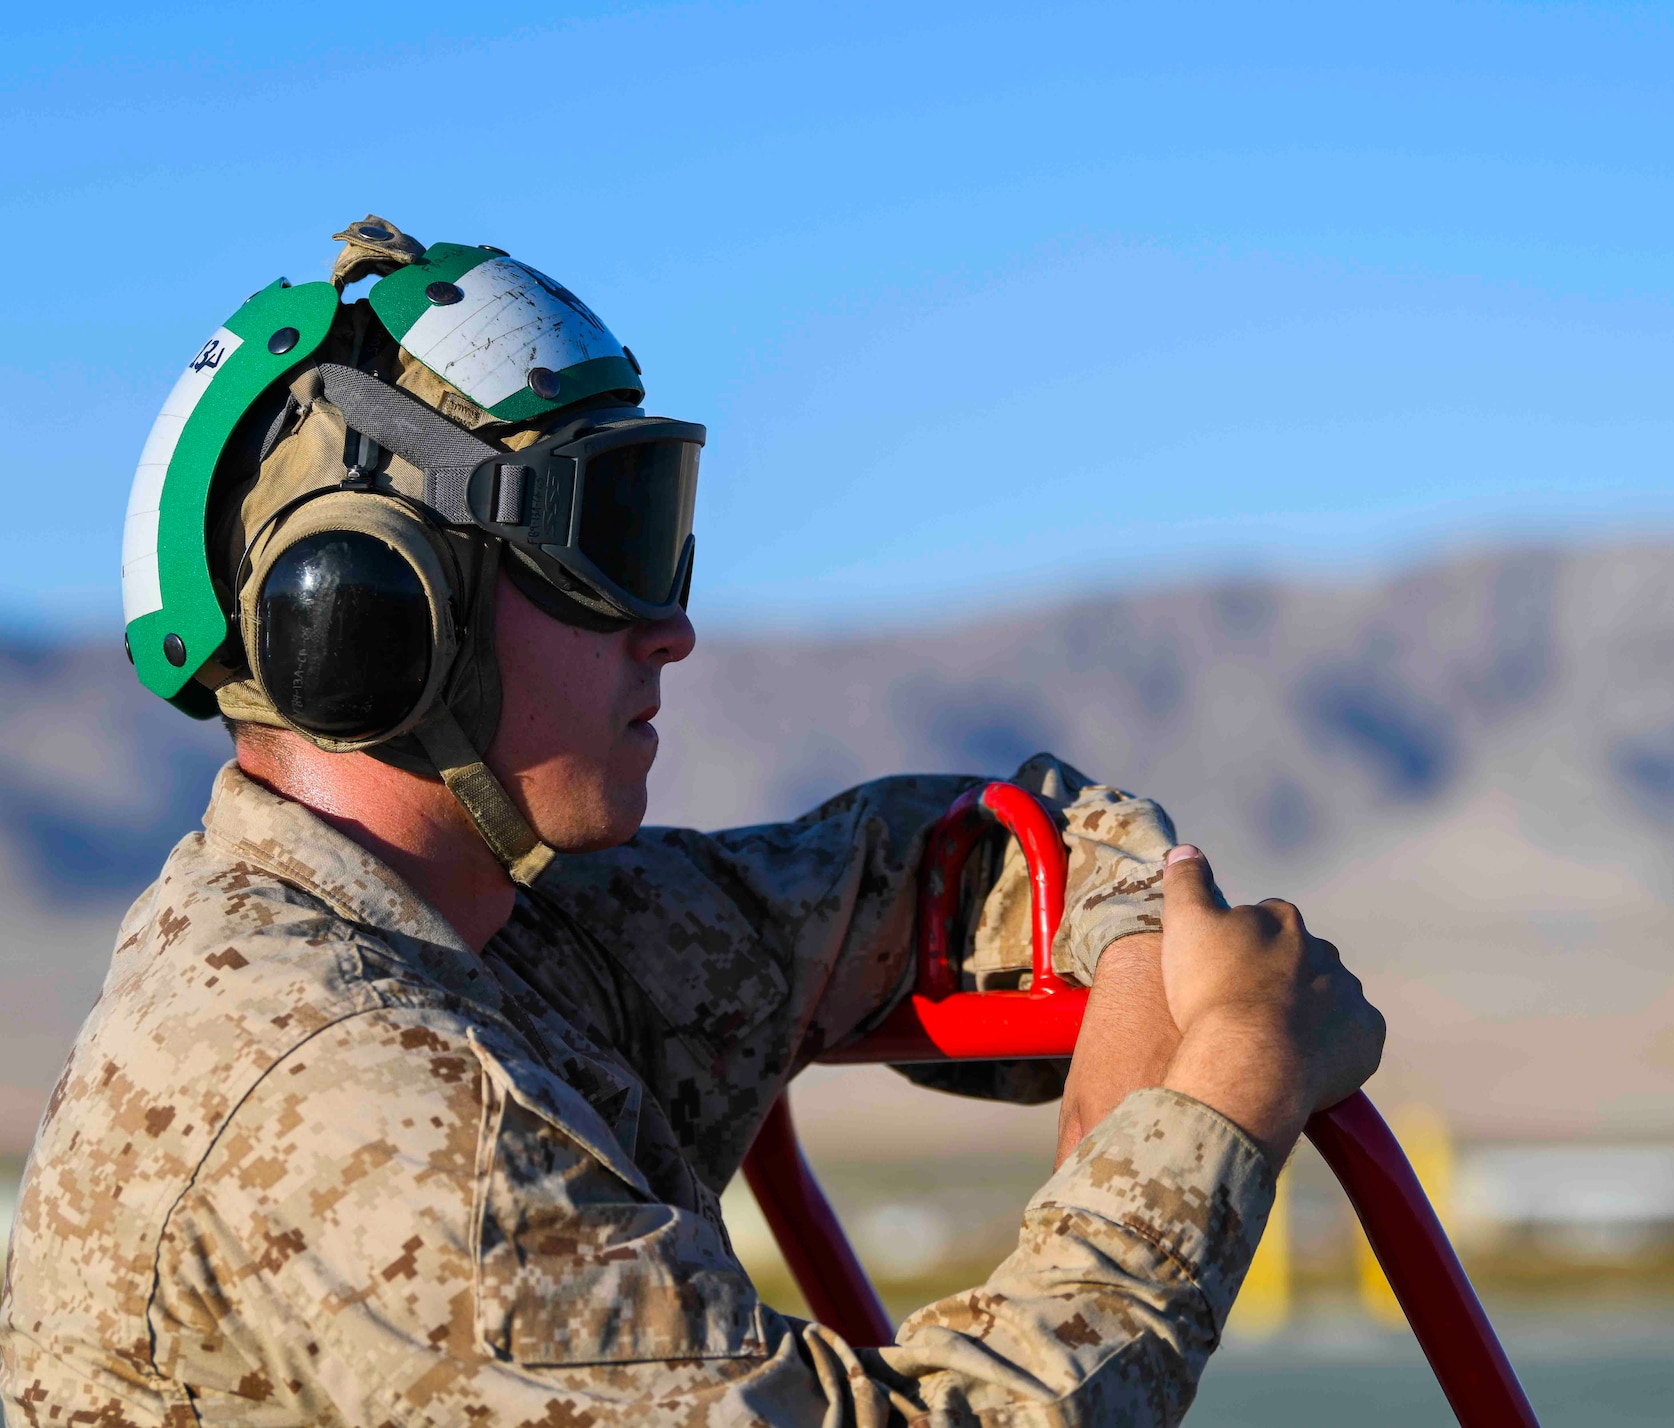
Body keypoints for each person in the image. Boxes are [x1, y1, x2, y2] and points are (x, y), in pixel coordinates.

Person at [0, 218, 1384, 1427]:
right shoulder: (358, 1105)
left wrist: (1151, 947)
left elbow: (956, 865)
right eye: (602, 544)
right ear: (377, 615)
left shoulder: (503, 937)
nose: (669, 628)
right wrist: (1224, 1098)